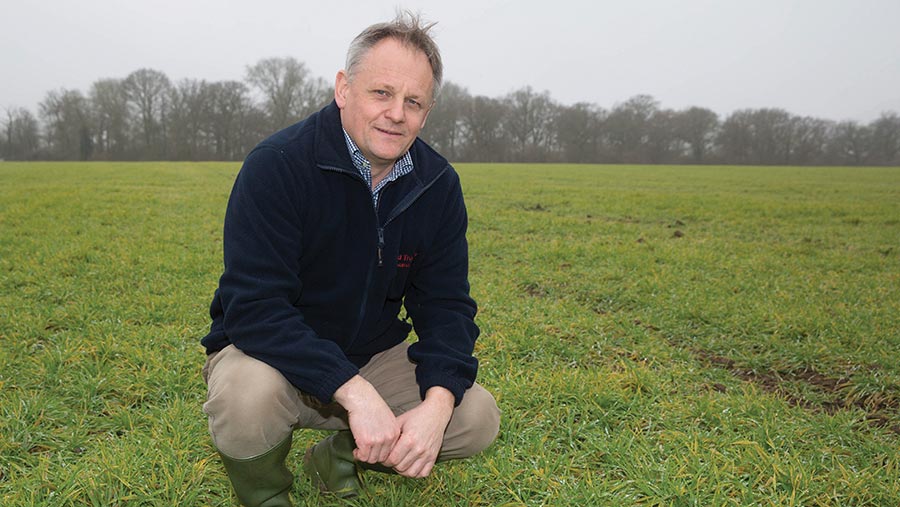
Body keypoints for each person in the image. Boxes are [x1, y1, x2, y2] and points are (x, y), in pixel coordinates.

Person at [200, 12, 500, 506]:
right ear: (343, 89)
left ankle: (340, 455)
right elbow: (254, 309)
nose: (396, 113)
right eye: (381, 93)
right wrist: (354, 393)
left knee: (473, 417)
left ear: (426, 113)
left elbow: (446, 306)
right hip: (271, 358)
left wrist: (438, 403)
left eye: (413, 102)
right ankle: (265, 494)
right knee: (247, 396)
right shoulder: (277, 165)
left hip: (370, 355)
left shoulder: (437, 184)